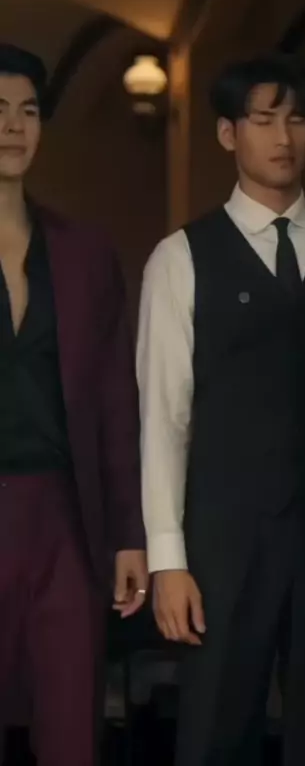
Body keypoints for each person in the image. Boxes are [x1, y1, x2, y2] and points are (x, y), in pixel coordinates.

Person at [137, 52, 305, 766]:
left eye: (300, 119)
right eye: (264, 119)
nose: (285, 137)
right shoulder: (181, 258)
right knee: (215, 735)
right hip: (222, 544)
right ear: (227, 133)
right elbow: (164, 419)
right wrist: (168, 559)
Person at [0, 43, 147, 766]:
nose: (13, 126)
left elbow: (116, 399)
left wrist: (129, 536)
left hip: (65, 516)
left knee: (70, 729)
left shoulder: (84, 253)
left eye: (28, 111)